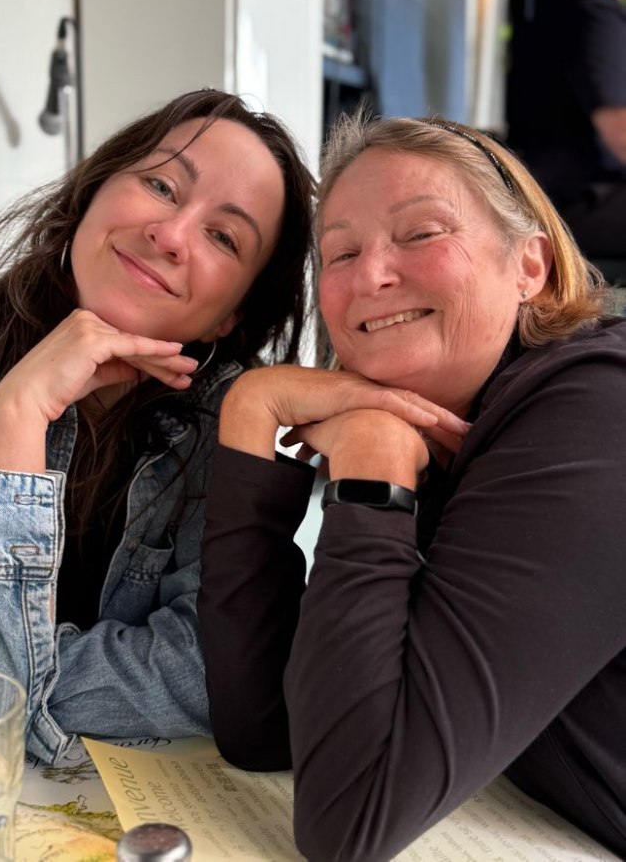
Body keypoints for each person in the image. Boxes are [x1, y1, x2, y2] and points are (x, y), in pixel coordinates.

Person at [198, 113, 626, 860]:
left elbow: (350, 816)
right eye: (341, 253)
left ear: (530, 267)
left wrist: (372, 469)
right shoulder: (456, 432)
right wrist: (249, 413)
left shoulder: (598, 409)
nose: (371, 276)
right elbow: (262, 728)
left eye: (422, 233)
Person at [0, 88, 314, 763]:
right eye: (161, 185)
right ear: (92, 193)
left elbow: (212, 674)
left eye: (223, 237)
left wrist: (9, 680)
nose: (170, 235)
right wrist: (18, 412)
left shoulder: (228, 421)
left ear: (230, 316)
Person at [507, 0, 626, 271]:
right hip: (573, 204)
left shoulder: (561, 0)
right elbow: (620, 131)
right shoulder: (591, 11)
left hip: (549, 197)